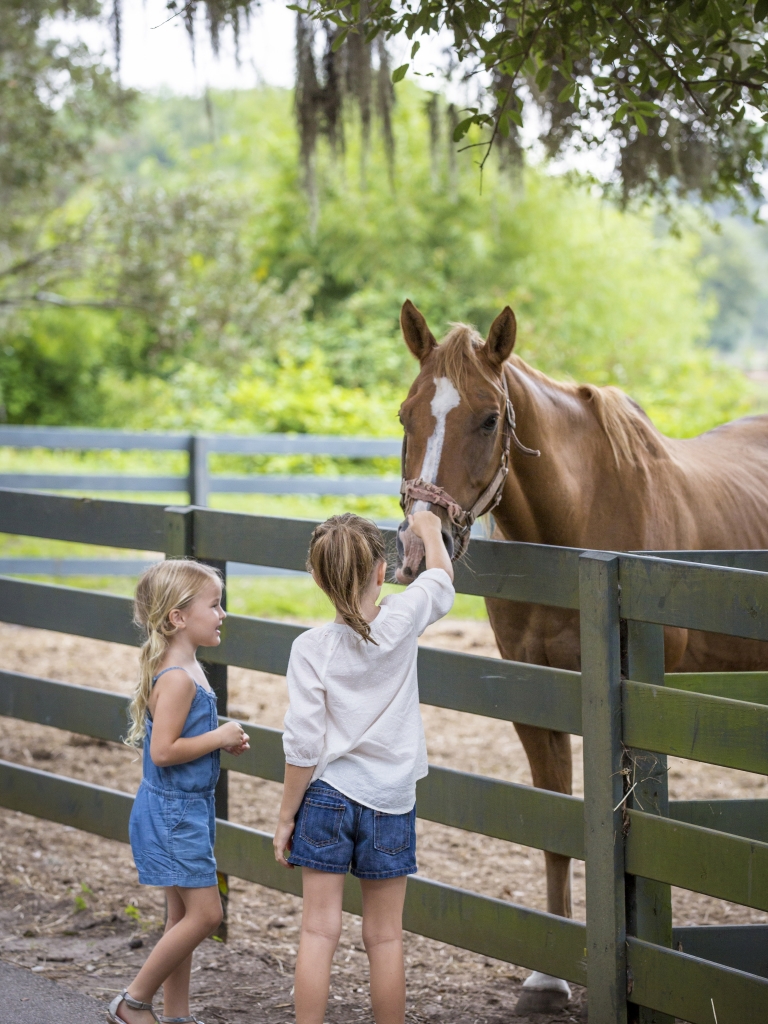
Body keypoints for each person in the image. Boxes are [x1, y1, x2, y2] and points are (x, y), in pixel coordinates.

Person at [273, 510, 455, 1024]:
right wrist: (428, 530)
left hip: (326, 797)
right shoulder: (402, 619)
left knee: (317, 931)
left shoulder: (309, 649)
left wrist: (287, 816)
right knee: (385, 937)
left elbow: (303, 745)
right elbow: (441, 580)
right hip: (391, 802)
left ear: (316, 577)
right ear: (382, 571)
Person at [108, 559, 249, 1024]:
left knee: (180, 917)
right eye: (214, 604)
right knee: (206, 916)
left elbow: (175, 742)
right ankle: (133, 1002)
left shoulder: (185, 666)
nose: (223, 613)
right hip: (175, 814)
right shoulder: (178, 678)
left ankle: (178, 1015)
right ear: (178, 617)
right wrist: (220, 737)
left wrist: (216, 742)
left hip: (182, 807)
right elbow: (165, 750)